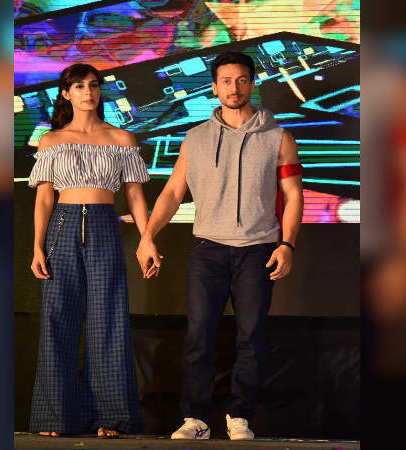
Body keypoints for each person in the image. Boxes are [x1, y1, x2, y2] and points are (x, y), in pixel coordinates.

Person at [136, 51, 304, 440]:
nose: (234, 87)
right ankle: (196, 419)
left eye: (242, 80)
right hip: (208, 250)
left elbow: (293, 195)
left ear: (253, 84)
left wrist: (287, 245)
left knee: (252, 337)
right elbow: (173, 191)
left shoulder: (279, 137)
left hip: (258, 250)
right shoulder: (195, 139)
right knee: (198, 337)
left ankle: (239, 416)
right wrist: (147, 237)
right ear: (214, 87)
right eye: (226, 81)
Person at [28, 63, 149, 438]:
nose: (88, 92)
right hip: (61, 227)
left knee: (108, 321)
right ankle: (54, 418)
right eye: (79, 86)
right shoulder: (51, 140)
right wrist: (37, 247)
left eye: (93, 85)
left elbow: (134, 195)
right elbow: (44, 198)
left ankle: (110, 418)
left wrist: (147, 239)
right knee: (57, 321)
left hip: (103, 226)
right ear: (66, 93)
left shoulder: (121, 138)